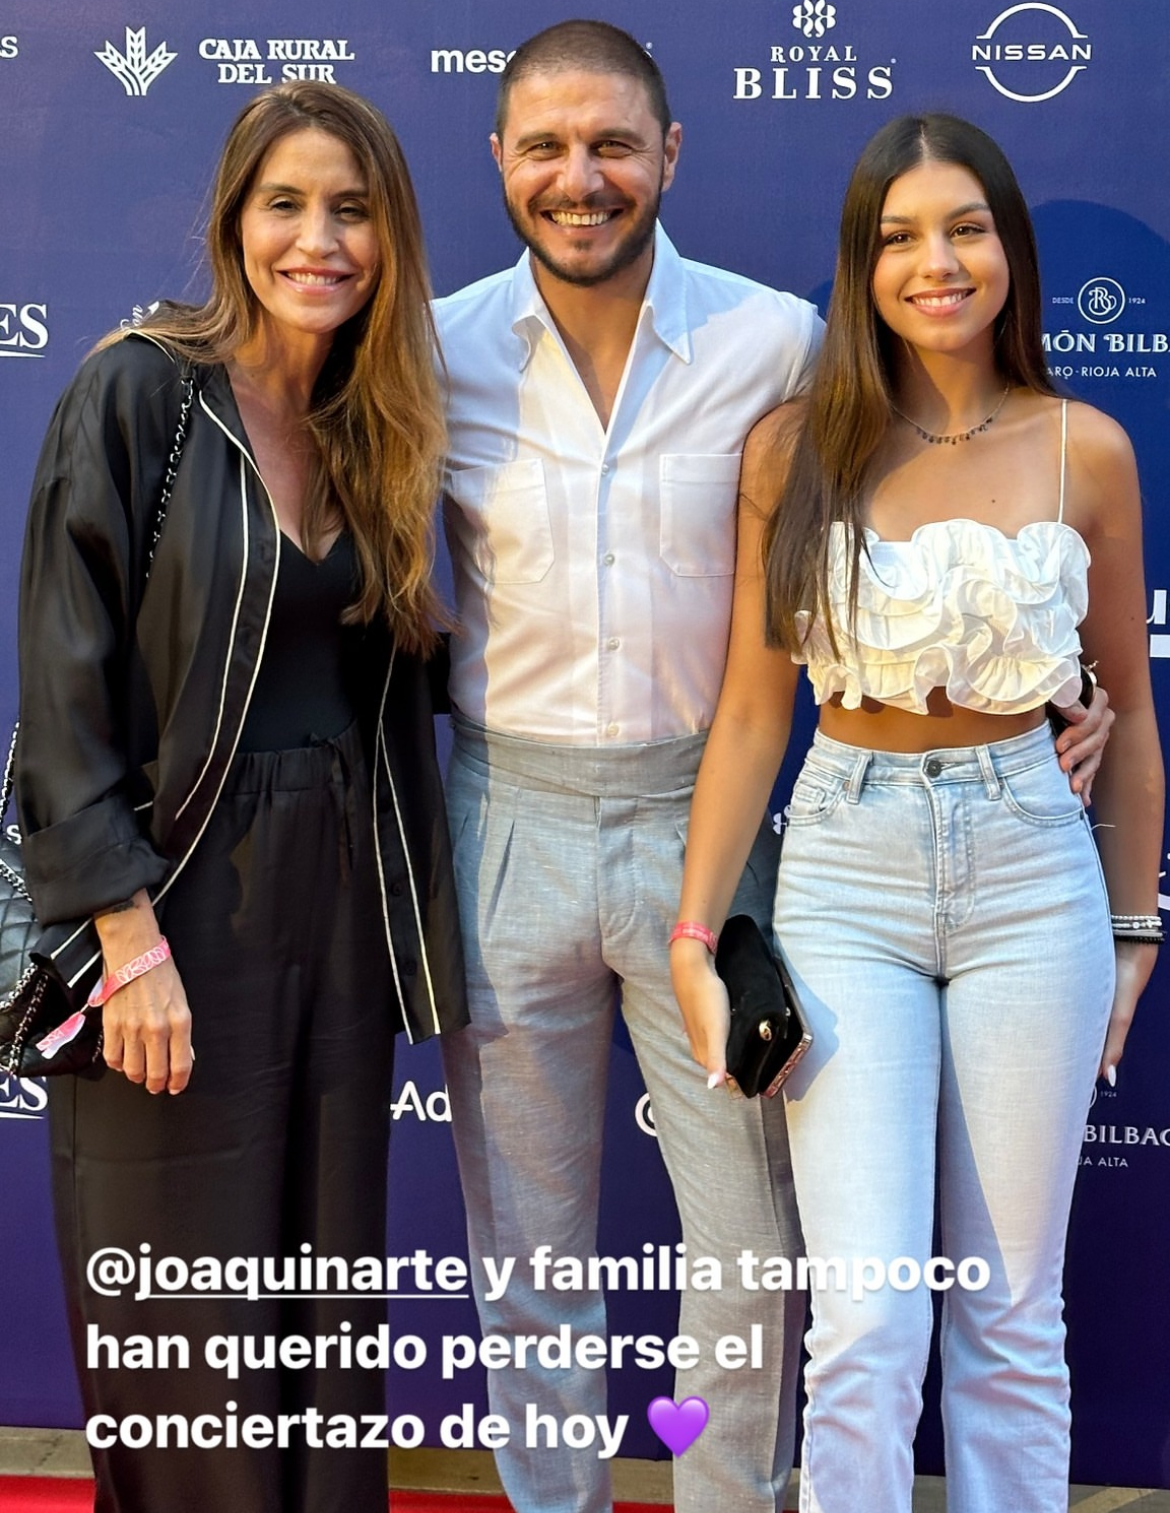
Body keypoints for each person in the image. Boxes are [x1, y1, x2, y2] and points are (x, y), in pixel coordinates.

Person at [434, 34, 1107, 1513]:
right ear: (499, 162)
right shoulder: (434, 350)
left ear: (670, 154)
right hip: (501, 820)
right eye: (543, 146)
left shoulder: (777, 349)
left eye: (610, 143)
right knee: (530, 1262)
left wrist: (1069, 690)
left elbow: (933, 524)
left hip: (721, 834)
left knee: (752, 1260)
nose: (578, 177)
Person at [672, 113, 1162, 1513]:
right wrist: (696, 932)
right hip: (843, 870)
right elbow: (753, 714)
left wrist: (1131, 932)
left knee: (1010, 1319)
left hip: (1029, 870)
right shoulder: (792, 451)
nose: (932, 263)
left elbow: (1126, 720)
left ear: (1008, 251)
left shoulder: (1089, 450)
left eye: (962, 229)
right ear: (860, 264)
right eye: (896, 237)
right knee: (870, 1321)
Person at [17, 82, 466, 1513]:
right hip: (174, 891)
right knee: (182, 1306)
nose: (318, 239)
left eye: (350, 209)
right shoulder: (141, 387)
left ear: (389, 236)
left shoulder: (373, 423)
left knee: (319, 1305)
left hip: (334, 893)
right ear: (232, 221)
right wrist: (126, 939)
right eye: (286, 205)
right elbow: (62, 692)